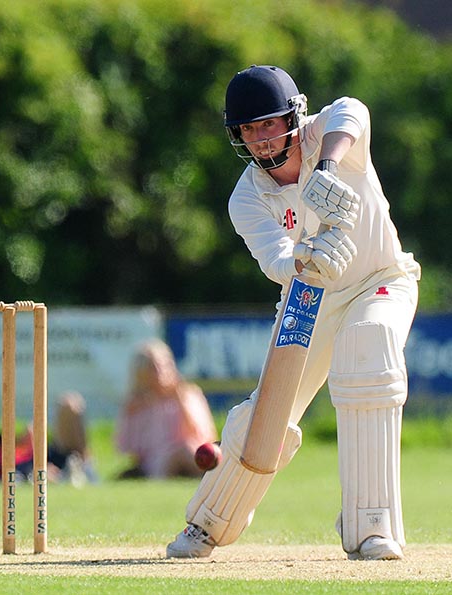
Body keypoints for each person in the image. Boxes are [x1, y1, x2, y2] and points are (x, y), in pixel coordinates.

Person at [166, 65, 420, 561]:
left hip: (380, 279)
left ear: (293, 116)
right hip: (309, 293)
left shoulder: (326, 133)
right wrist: (307, 257)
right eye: (248, 130)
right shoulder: (247, 196)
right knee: (267, 414)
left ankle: (372, 527)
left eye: (268, 124)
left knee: (367, 347)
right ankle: (210, 522)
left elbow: (355, 110)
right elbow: (277, 262)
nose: (261, 139)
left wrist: (325, 167)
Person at [116, 339, 218, 479]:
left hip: (193, 455)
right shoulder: (137, 404)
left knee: (185, 450)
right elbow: (126, 448)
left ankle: (208, 480)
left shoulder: (189, 394)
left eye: (162, 366)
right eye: (152, 368)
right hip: (155, 463)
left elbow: (204, 435)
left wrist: (180, 400)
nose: (158, 373)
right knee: (168, 459)